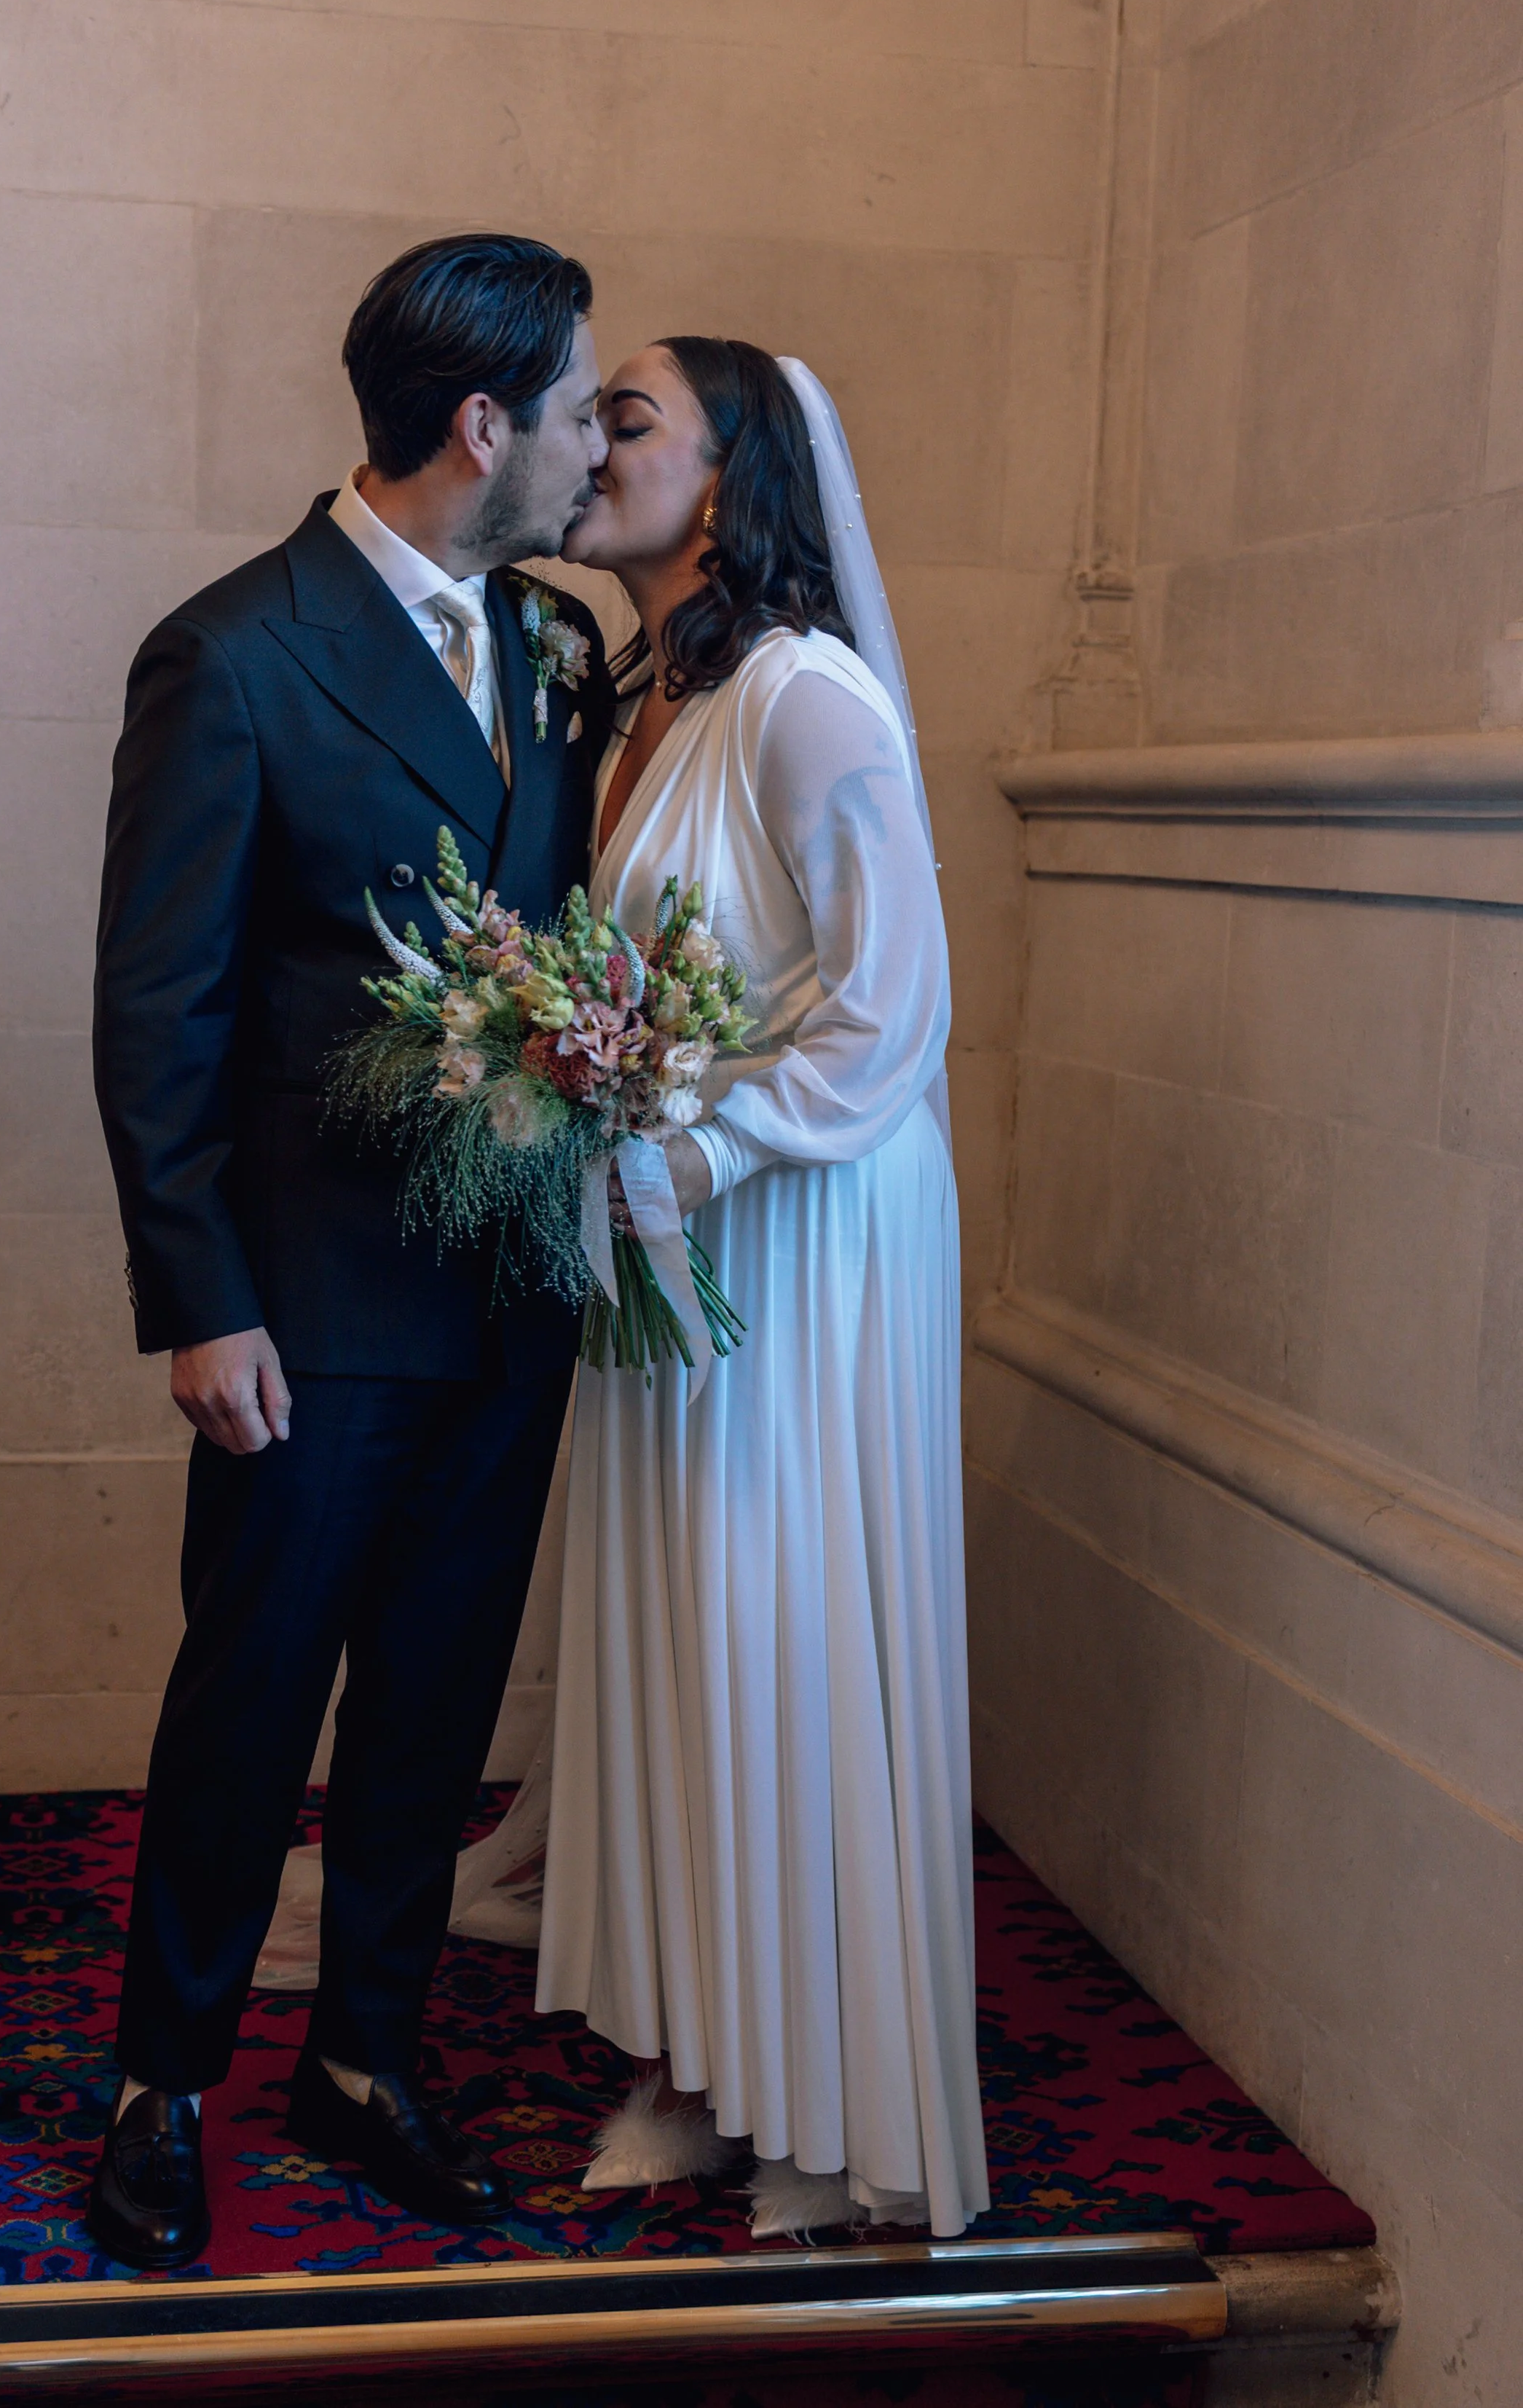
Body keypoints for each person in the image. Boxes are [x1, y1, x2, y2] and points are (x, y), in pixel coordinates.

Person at [88, 233, 617, 2267]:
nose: (586, 447)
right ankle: (166, 2075)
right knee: (251, 1689)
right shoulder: (230, 653)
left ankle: (368, 2055)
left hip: (509, 1295)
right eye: (572, 408)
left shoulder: (553, 642)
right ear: (480, 423)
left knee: (432, 1692)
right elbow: (163, 1011)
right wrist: (196, 1296)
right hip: (302, 1308)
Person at [535, 338, 989, 2239]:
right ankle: (694, 2055)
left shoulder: (809, 700)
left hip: (800, 1239)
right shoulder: (639, 702)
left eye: (625, 415)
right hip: (669, 1233)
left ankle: (824, 2092)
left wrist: (699, 1148)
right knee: (663, 1632)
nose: (585, 437)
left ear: (728, 484)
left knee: (773, 1628)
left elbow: (894, 1009)